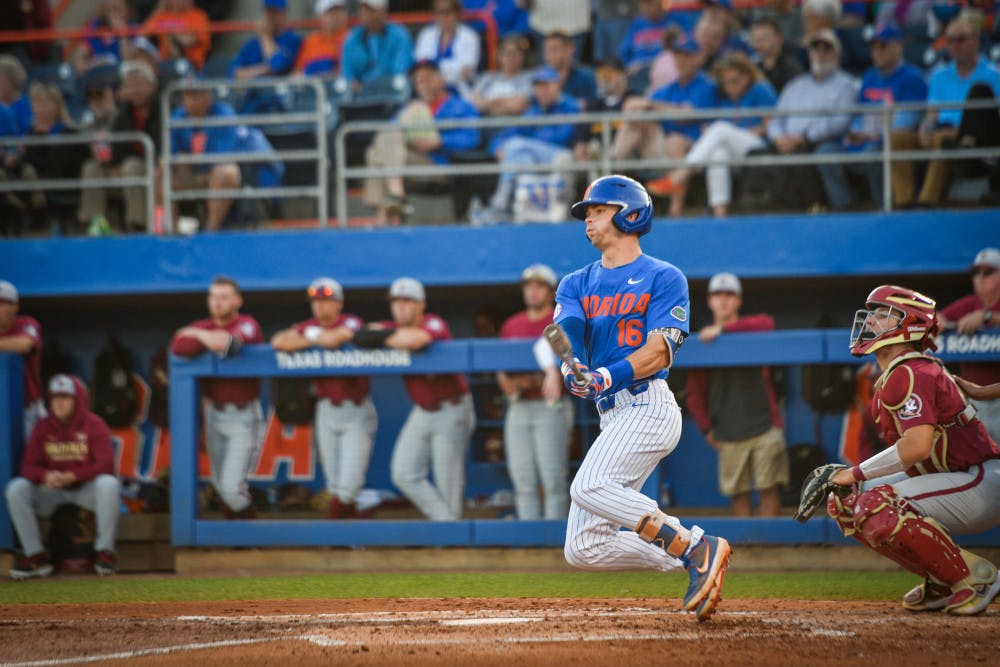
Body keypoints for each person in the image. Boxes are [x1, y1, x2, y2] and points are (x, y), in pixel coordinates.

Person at [555, 174, 732, 622]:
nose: (588, 220)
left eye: (597, 210)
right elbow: (570, 333)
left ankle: (696, 546)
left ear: (628, 213)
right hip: (611, 416)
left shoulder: (663, 276)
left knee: (588, 486)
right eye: (587, 213)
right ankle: (689, 559)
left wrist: (603, 376)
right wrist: (572, 368)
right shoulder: (575, 282)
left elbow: (658, 351)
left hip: (648, 406)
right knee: (583, 548)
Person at [823, 284, 1000, 615]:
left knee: (876, 502)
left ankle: (976, 576)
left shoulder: (911, 370)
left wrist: (855, 471)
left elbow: (916, 447)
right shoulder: (904, 369)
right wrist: (850, 478)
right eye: (872, 314)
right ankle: (941, 579)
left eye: (882, 314)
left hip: (977, 478)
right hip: (952, 475)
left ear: (910, 324)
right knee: (844, 500)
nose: (871, 321)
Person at [353, 277, 475, 521]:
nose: (400, 307)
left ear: (421, 304)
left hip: (451, 407)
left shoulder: (434, 323)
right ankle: (448, 528)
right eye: (395, 302)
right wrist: (389, 334)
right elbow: (361, 335)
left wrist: (384, 336)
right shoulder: (392, 326)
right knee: (403, 473)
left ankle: (451, 542)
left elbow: (416, 340)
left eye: (407, 301)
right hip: (421, 410)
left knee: (447, 482)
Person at [270, 277, 377, 519]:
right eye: (316, 302)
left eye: (326, 301)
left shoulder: (350, 321)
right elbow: (278, 341)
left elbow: (334, 339)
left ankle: (335, 537)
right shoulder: (309, 325)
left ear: (339, 303)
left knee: (349, 486)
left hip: (356, 410)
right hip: (327, 410)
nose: (320, 307)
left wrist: (309, 335)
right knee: (335, 486)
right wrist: (311, 334)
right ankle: (351, 540)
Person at [685, 273, 788, 517]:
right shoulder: (703, 342)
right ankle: (751, 547)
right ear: (709, 301)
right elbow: (694, 394)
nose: (723, 301)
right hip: (728, 432)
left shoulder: (751, 330)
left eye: (729, 295)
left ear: (738, 301)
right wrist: (706, 429)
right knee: (738, 493)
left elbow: (767, 323)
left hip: (764, 426)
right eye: (717, 296)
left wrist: (723, 329)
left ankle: (770, 551)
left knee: (768, 489)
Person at [5, 374, 121, 579]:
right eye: (55, 397)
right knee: (17, 488)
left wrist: (74, 475)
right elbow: (27, 467)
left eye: (66, 397)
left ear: (78, 400)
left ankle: (105, 553)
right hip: (52, 491)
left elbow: (105, 465)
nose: (59, 403)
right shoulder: (43, 427)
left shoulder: (94, 424)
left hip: (85, 490)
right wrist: (46, 475)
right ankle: (35, 556)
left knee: (109, 484)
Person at [170, 276, 264, 519]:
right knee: (222, 487)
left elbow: (229, 344)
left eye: (224, 297)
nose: (217, 302)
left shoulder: (247, 323)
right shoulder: (205, 325)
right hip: (214, 413)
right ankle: (238, 543)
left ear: (238, 301)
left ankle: (252, 538)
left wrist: (196, 335)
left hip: (244, 414)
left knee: (232, 489)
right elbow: (178, 346)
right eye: (213, 297)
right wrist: (201, 336)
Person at [645, 52, 777, 218]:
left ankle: (680, 175)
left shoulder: (759, 89)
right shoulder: (722, 96)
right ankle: (720, 214)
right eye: (725, 83)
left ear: (747, 75)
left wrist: (741, 131)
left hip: (758, 147)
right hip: (732, 151)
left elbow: (772, 128)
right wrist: (709, 131)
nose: (730, 87)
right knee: (717, 153)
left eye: (735, 81)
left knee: (721, 128)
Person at [816, 23, 928, 211]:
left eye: (882, 46)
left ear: (898, 46)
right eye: (874, 47)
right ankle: (844, 206)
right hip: (864, 139)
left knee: (872, 153)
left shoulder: (913, 78)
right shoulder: (868, 77)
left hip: (885, 142)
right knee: (825, 152)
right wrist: (854, 132)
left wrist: (876, 135)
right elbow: (859, 114)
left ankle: (883, 206)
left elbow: (909, 119)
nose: (877, 52)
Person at [894, 12, 1000, 207]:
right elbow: (931, 113)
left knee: (944, 139)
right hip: (939, 132)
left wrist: (959, 132)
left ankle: (927, 201)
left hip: (970, 138)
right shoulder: (939, 75)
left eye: (960, 39)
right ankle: (904, 202)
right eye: (950, 40)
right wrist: (924, 129)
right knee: (897, 139)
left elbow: (994, 121)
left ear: (976, 41)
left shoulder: (994, 75)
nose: (955, 45)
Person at [362, 59, 480, 225]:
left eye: (428, 78)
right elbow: (388, 137)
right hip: (408, 161)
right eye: (418, 80)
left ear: (441, 79)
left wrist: (439, 142)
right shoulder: (409, 109)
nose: (424, 84)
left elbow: (472, 138)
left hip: (441, 165)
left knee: (375, 156)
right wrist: (409, 136)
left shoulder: (461, 106)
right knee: (385, 140)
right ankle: (396, 197)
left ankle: (385, 215)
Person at [497, 264, 572, 520]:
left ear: (550, 292)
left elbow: (567, 365)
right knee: (522, 478)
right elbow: (501, 369)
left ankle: (554, 544)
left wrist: (529, 379)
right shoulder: (511, 325)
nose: (532, 292)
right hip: (518, 406)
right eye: (528, 286)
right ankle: (529, 541)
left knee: (552, 478)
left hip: (551, 405)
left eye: (539, 286)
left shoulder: (559, 319)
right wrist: (517, 382)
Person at [612, 34, 716, 218]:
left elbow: (687, 115)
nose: (681, 61)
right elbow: (633, 106)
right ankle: (611, 174)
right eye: (678, 56)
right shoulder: (670, 87)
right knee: (636, 123)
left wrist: (650, 105)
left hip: (695, 152)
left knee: (675, 141)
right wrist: (638, 105)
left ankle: (675, 210)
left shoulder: (706, 84)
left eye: (687, 56)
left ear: (697, 58)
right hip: (661, 150)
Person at [169, 81, 283, 231]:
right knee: (161, 175)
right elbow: (169, 156)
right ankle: (167, 231)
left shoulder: (223, 114)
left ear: (208, 97)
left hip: (245, 174)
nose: (190, 102)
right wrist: (179, 161)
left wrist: (187, 160)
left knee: (225, 172)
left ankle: (210, 232)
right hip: (202, 173)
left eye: (195, 96)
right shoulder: (179, 116)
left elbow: (220, 158)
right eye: (187, 96)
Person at [480, 65, 581, 221]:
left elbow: (562, 137)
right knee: (522, 158)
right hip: (535, 158)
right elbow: (509, 133)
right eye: (538, 86)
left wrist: (523, 145)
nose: (541, 90)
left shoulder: (570, 106)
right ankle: (526, 213)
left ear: (557, 85)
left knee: (515, 146)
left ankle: (500, 204)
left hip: (562, 156)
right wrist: (498, 148)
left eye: (546, 85)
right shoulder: (534, 108)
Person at [79, 60, 163, 234]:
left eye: (140, 84)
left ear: (152, 85)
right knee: (92, 167)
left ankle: (137, 225)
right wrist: (110, 164)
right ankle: (94, 224)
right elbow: (117, 145)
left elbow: (161, 146)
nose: (136, 89)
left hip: (154, 167)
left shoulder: (162, 108)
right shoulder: (124, 112)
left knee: (131, 166)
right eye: (131, 85)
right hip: (126, 166)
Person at [940, 247, 1000, 443]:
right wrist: (937, 321)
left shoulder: (985, 310)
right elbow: (938, 318)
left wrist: (988, 317)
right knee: (979, 465)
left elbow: (989, 316)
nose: (980, 278)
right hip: (974, 402)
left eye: (988, 272)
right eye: (976, 273)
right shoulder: (969, 304)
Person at [229, 0, 303, 114]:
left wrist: (265, 36)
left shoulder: (292, 39)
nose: (270, 17)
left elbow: (277, 65)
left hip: (279, 105)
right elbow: (236, 73)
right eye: (268, 12)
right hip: (251, 102)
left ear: (284, 14)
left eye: (275, 12)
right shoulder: (252, 44)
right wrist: (265, 69)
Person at [0, 280, 44, 439]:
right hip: (2, 410)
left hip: (28, 409)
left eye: (3, 304)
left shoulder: (27, 324)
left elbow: (25, 344)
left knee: (33, 457)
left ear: (15, 307)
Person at [340, 0, 414, 93]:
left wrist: (367, 85)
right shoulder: (351, 39)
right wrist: (352, 83)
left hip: (392, 94)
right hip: (359, 98)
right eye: (364, 9)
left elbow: (400, 71)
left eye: (372, 9)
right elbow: (347, 72)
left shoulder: (400, 36)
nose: (368, 14)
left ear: (384, 11)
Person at [413, 0, 481, 94]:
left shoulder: (470, 36)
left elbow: (466, 71)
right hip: (427, 89)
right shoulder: (426, 35)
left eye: (447, 12)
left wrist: (434, 69)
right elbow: (421, 64)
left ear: (457, 13)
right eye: (439, 12)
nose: (443, 17)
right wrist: (452, 69)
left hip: (459, 90)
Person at [468, 34, 533, 118]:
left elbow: (520, 105)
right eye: (507, 54)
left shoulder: (528, 78)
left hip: (515, 125)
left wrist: (489, 105)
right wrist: (504, 103)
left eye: (515, 54)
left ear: (522, 57)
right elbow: (474, 101)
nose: (511, 58)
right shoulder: (487, 77)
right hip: (486, 125)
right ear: (500, 56)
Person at [142, 0, 212, 70]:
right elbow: (141, 37)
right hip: (164, 64)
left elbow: (191, 41)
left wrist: (174, 35)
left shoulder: (198, 15)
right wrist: (159, 9)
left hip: (191, 63)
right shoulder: (163, 15)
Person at [541, 31, 597, 109]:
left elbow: (590, 107)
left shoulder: (586, 76)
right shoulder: (539, 78)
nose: (550, 55)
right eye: (547, 51)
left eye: (554, 49)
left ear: (570, 49)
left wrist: (559, 97)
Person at [748, 16, 804, 94]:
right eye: (756, 38)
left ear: (779, 39)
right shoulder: (751, 68)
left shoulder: (791, 70)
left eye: (764, 37)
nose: (759, 42)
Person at [295, 0, 349, 76]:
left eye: (339, 11)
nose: (335, 16)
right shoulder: (311, 41)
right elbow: (299, 70)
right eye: (330, 12)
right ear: (320, 16)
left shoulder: (352, 38)